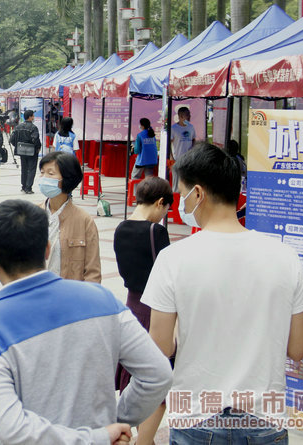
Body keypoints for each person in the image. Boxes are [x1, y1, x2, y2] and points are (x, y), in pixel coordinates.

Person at [0, 200, 172, 444]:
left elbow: (13, 430)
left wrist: (99, 436)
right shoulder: (102, 300)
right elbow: (158, 374)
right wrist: (112, 421)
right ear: (48, 249)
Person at [142, 142, 303, 444]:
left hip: (195, 415)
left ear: (198, 194)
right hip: (265, 418)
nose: (180, 202)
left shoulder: (173, 259)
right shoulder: (286, 256)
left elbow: (160, 347)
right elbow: (298, 349)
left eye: (181, 193)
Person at [113, 177, 173, 445]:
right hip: (155, 308)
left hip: (131, 305)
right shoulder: (156, 232)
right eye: (167, 208)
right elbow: (168, 276)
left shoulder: (120, 228)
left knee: (134, 378)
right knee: (156, 382)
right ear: (160, 202)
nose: (165, 214)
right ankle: (144, 441)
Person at [38, 151, 101, 282]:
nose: (44, 178)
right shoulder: (32, 214)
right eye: (42, 172)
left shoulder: (84, 220)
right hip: (37, 295)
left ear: (66, 179)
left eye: (50, 173)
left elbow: (92, 271)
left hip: (70, 297)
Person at [10, 109, 42, 194]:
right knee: (31, 169)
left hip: (21, 151)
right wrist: (38, 147)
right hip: (32, 151)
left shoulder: (18, 127)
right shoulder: (33, 127)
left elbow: (12, 139)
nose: (33, 117)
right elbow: (35, 139)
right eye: (33, 116)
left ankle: (23, 186)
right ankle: (28, 187)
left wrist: (17, 145)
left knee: (24, 169)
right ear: (30, 117)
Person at [170, 106, 196, 191]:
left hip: (188, 160)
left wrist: (192, 152)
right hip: (177, 159)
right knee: (176, 182)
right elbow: (169, 143)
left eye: (189, 114)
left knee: (187, 182)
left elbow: (193, 140)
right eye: (187, 115)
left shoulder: (191, 127)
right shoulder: (174, 128)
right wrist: (171, 157)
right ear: (180, 116)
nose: (189, 116)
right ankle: (175, 199)